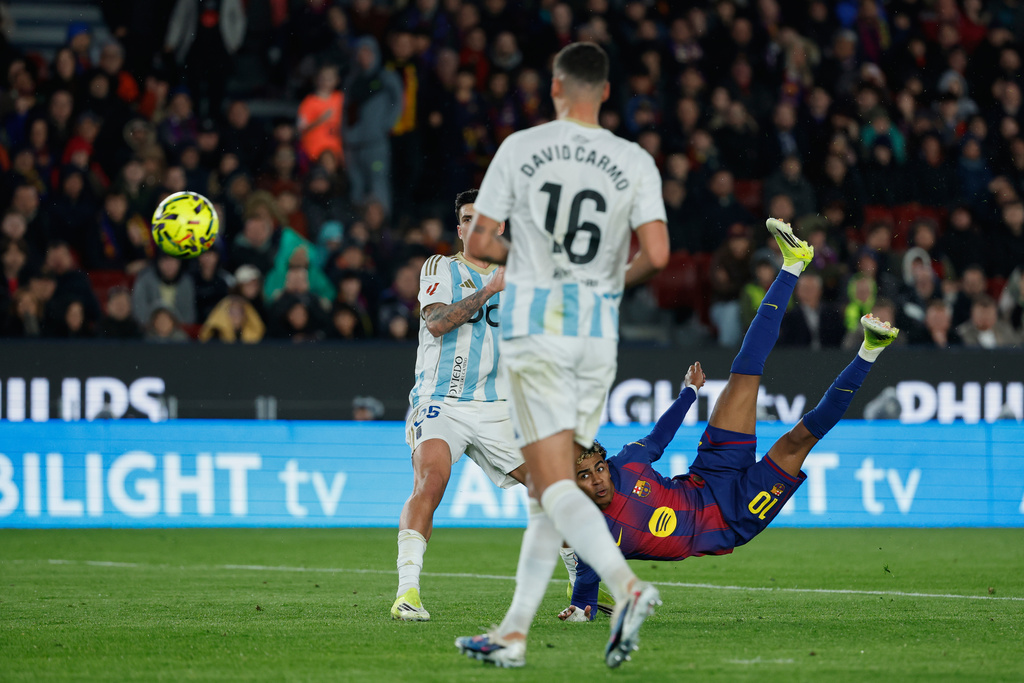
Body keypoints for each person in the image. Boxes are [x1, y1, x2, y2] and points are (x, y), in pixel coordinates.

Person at [559, 219, 899, 620]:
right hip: (733, 516)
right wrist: (580, 610)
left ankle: (793, 263)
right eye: (586, 476)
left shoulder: (625, 463)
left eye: (597, 467)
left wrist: (689, 392)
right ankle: (870, 351)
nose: (598, 478)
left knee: (744, 370)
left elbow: (659, 438)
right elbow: (584, 604)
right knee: (800, 438)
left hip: (709, 475)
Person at [455, 42, 670, 669]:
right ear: (604, 92)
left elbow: (480, 236)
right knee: (548, 488)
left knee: (551, 484)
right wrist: (604, 283)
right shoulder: (634, 159)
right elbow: (656, 255)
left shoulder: (521, 148)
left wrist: (529, 260)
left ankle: (627, 589)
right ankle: (514, 633)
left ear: (554, 87)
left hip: (537, 330)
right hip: (596, 340)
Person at [391, 189, 527, 621]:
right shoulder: (442, 267)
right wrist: (487, 291)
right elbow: (435, 323)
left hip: (497, 405)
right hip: (441, 402)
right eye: (467, 220)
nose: (475, 227)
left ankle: (580, 589)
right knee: (430, 480)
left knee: (557, 487)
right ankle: (407, 593)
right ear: (459, 229)